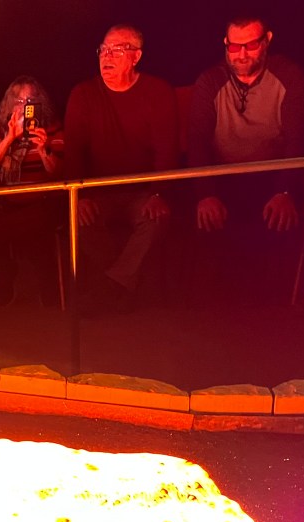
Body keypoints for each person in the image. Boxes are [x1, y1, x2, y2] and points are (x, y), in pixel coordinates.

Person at [187, 14, 304, 305]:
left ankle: (275, 305)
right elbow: (197, 141)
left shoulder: (289, 75)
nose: (242, 54)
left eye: (251, 45)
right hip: (225, 175)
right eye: (234, 47)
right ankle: (216, 306)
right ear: (225, 44)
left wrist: (285, 191)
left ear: (267, 41)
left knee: (280, 218)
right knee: (209, 219)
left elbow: (297, 140)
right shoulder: (210, 80)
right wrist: (205, 194)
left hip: (274, 174)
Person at [64, 24, 179, 315]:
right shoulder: (83, 94)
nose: (107, 56)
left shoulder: (157, 91)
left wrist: (158, 192)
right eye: (103, 49)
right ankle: (122, 282)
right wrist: (81, 196)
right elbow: (73, 151)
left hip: (143, 192)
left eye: (117, 50)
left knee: (156, 219)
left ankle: (109, 288)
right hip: (99, 193)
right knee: (78, 218)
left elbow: (167, 151)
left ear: (136, 56)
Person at [0, 76, 65, 308]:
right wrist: (9, 138)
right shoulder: (0, 130)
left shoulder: (52, 129)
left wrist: (43, 150)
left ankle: (49, 288)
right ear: (9, 104)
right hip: (4, 205)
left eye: (30, 100)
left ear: (40, 102)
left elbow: (58, 173)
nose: (25, 105)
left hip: (38, 202)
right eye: (19, 100)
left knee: (37, 235)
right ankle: (6, 276)